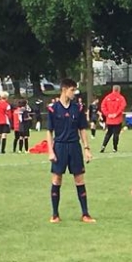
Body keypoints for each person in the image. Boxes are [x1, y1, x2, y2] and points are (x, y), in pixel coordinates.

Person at [47, 79, 95, 223]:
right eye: (72, 90)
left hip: (74, 147)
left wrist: (86, 148)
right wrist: (50, 151)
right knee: (57, 179)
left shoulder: (78, 108)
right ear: (64, 89)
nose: (74, 93)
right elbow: (49, 131)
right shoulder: (53, 108)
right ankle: (55, 215)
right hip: (59, 147)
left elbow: (82, 129)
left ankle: (85, 214)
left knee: (79, 179)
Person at [99, 85, 126, 153]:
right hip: (117, 119)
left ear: (113, 89)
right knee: (116, 134)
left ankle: (103, 146)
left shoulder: (107, 97)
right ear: (119, 90)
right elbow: (122, 107)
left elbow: (103, 106)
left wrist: (107, 114)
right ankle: (115, 148)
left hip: (109, 120)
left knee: (108, 133)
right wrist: (116, 114)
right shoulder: (121, 98)